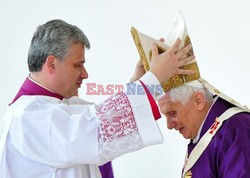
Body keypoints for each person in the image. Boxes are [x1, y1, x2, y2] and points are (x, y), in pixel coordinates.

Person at [0, 19, 194, 178]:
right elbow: (97, 130)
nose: (85, 74)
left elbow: (100, 117)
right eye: (78, 65)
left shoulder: (61, 104)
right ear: (51, 64)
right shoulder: (28, 116)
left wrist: (140, 81)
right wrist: (154, 79)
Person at [158, 71, 250, 178]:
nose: (169, 125)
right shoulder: (203, 134)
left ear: (198, 101)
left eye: (172, 113)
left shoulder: (235, 129)